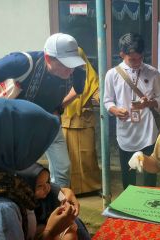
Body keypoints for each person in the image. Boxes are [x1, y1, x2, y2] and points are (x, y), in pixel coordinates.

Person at [0, 33, 87, 188]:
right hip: (17, 126)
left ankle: (56, 203)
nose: (70, 70)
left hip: (49, 122)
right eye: (65, 64)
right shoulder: (21, 62)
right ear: (48, 58)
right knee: (18, 169)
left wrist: (59, 107)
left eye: (73, 64)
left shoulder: (77, 70)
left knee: (63, 167)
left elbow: (78, 90)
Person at [0, 98, 77, 240]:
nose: (37, 151)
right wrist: (50, 231)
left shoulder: (2, 179)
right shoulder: (3, 211)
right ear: (12, 144)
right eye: (31, 141)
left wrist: (64, 191)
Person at [104, 32, 160, 189]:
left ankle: (150, 200)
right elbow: (107, 100)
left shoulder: (152, 72)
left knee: (149, 171)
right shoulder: (112, 75)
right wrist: (115, 110)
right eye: (132, 59)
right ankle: (128, 201)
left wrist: (149, 103)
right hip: (125, 130)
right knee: (127, 171)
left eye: (140, 58)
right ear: (122, 54)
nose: (137, 62)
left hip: (147, 129)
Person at [61, 48, 101, 194]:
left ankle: (91, 187)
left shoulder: (89, 73)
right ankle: (71, 188)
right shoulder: (62, 73)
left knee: (87, 155)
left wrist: (102, 98)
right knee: (68, 155)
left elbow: (97, 89)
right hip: (66, 119)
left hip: (84, 120)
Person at [17, 163, 91, 239]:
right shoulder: (19, 207)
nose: (46, 187)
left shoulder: (52, 193)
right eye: (40, 186)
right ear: (27, 188)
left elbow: (65, 197)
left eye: (47, 181)